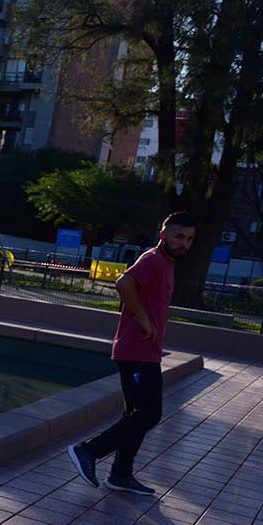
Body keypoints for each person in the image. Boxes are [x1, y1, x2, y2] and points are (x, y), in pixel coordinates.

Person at [68, 211, 196, 495]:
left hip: (146, 351)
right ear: (163, 235)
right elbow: (123, 284)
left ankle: (121, 474)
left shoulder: (167, 262)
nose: (184, 243)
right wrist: (144, 320)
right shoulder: (153, 260)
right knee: (149, 414)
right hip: (135, 350)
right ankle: (88, 451)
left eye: (189, 239)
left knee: (135, 416)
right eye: (178, 236)